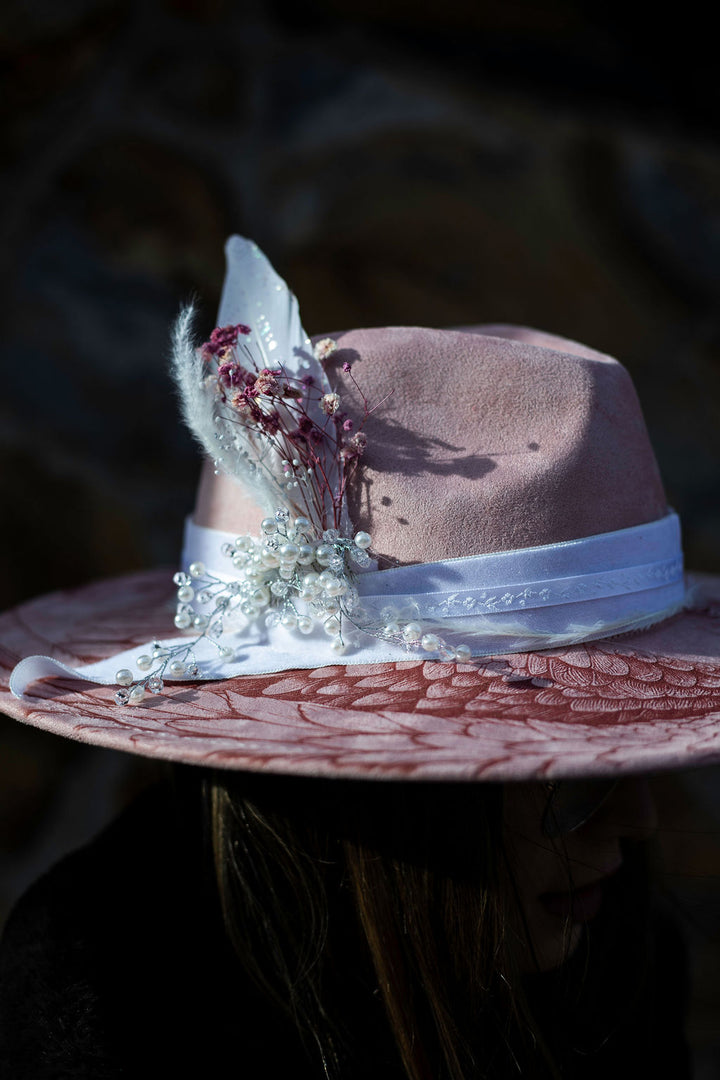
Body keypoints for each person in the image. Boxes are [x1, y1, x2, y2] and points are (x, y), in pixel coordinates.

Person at [1, 237, 717, 1077]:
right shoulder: (108, 1003)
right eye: (573, 782)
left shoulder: (616, 961)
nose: (641, 821)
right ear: (371, 804)